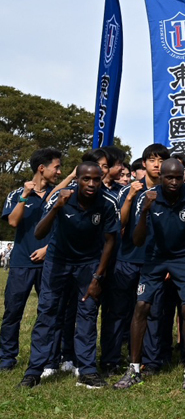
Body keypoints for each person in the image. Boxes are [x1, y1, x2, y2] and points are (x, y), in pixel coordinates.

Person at [18, 162, 119, 389]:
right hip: (58, 262)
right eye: (86, 179)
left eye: (96, 179)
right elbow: (39, 232)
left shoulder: (107, 203)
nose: (92, 184)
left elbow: (111, 241)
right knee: (48, 313)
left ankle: (87, 371)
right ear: (77, 180)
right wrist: (56, 208)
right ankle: (34, 371)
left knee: (87, 315)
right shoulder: (61, 198)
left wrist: (98, 277)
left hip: (88, 264)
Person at [113, 158, 185, 390]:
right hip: (155, 257)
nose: (174, 181)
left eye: (178, 177)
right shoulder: (148, 197)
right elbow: (136, 240)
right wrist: (145, 211)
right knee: (141, 306)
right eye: (169, 177)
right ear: (160, 177)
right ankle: (134, 369)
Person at [0, 148, 62, 371]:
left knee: (49, 313)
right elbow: (14, 222)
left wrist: (47, 248)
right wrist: (24, 196)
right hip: (20, 264)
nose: (59, 171)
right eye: (56, 167)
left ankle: (49, 359)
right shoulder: (17, 193)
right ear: (41, 168)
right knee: (12, 313)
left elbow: (63, 228)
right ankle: (7, 358)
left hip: (50, 262)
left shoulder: (58, 194)